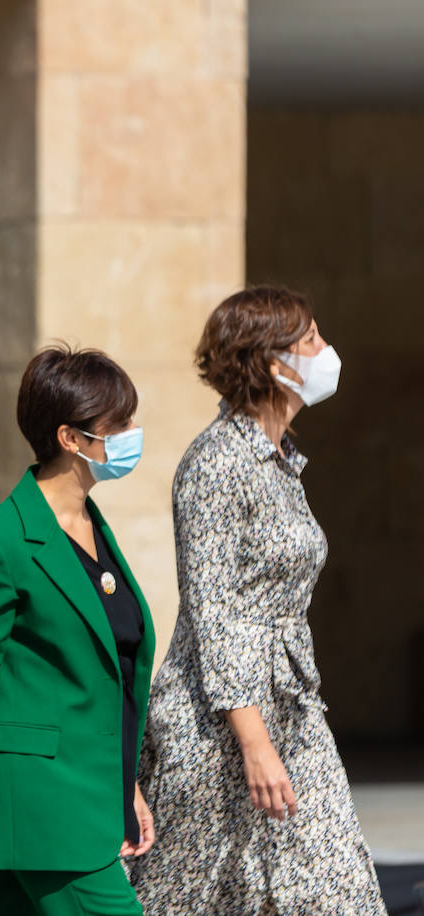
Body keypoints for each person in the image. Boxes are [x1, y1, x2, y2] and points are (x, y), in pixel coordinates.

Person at [130, 287, 386, 915]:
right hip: (219, 726)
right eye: (313, 341)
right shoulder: (216, 463)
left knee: (340, 893)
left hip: (293, 708)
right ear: (275, 364)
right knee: (195, 899)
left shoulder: (279, 461)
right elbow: (215, 615)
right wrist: (256, 743)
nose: (329, 353)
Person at [0, 345, 156, 916]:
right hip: (41, 810)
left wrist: (125, 787)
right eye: (119, 424)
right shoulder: (1, 541)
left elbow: (107, 675)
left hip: (84, 801)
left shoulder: (92, 525)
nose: (132, 434)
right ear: (71, 438)